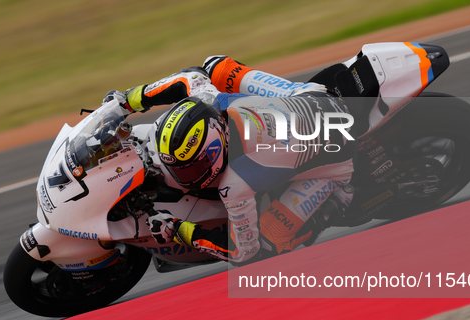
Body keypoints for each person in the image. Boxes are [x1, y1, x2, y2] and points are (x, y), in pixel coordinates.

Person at [103, 56, 357, 264]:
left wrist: (179, 231)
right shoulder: (208, 102)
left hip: (337, 160)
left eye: (191, 168)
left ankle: (339, 201)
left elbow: (242, 252)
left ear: (214, 153)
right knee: (215, 66)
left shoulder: (234, 185)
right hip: (313, 96)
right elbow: (188, 77)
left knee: (268, 244)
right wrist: (127, 100)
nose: (182, 176)